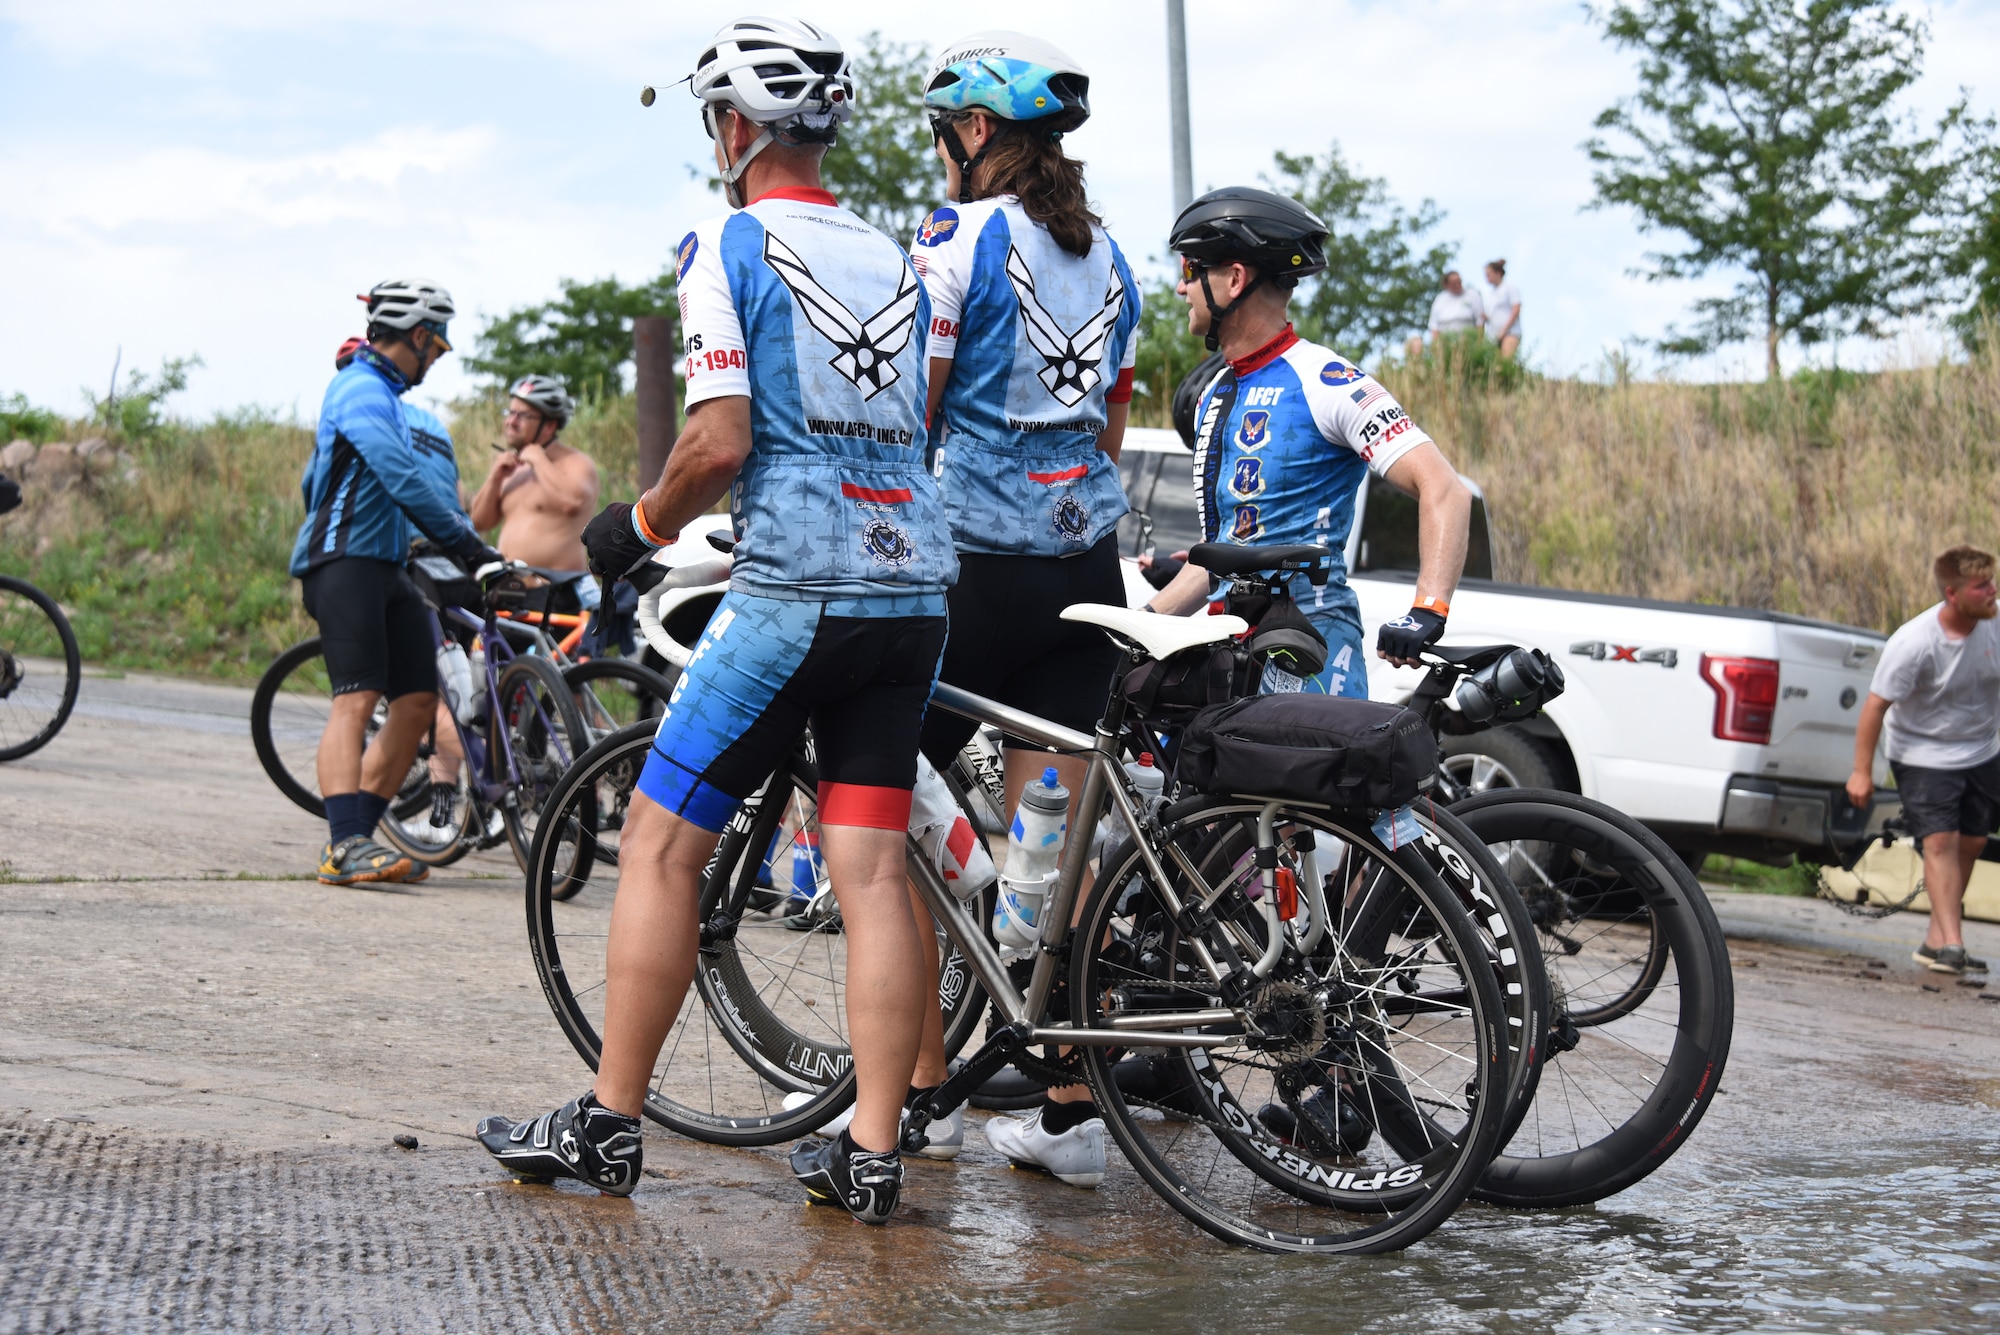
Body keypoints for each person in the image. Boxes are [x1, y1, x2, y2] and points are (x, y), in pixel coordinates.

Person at [477, 17, 954, 1226]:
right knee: (869, 866)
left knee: (657, 846)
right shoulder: (897, 256)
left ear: (735, 128)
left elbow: (717, 440)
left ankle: (608, 1124)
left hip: (797, 588)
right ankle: (872, 1150)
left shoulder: (728, 240)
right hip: (912, 593)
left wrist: (629, 529)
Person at [902, 29, 1139, 1186]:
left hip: (975, 564)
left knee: (877, 792)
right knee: (1055, 836)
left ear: (977, 133)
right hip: (1082, 565)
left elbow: (917, 392)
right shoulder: (1111, 255)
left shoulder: (962, 231)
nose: (940, 153)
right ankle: (1064, 1108)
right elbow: (1106, 423)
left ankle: (914, 1096)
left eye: (945, 132)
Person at [1145, 187, 1473, 688]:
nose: (1179, 288)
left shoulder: (1327, 379)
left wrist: (1428, 607)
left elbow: (1445, 489)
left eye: (1191, 269)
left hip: (1315, 652)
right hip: (1233, 649)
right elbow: (1225, 549)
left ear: (1234, 280)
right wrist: (1139, 623)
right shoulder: (1215, 391)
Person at [289, 282, 499, 886]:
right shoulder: (357, 386)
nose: (438, 355)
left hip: (388, 566)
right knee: (355, 699)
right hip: (343, 561)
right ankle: (345, 843)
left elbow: (316, 480)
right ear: (413, 334)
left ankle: (359, 838)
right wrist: (468, 546)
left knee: (414, 706)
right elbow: (400, 477)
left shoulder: (386, 397)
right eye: (436, 343)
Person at [1845, 546, 2000, 976]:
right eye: (1982, 586)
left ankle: (1936, 939)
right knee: (1940, 841)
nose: (1992, 591)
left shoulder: (1995, 622)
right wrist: (1861, 772)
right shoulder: (1914, 642)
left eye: (1992, 581)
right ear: (1952, 594)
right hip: (1922, 754)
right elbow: (1875, 706)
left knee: (1971, 842)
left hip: (1982, 748)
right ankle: (1953, 942)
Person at [466, 375, 601, 607]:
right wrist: (495, 477)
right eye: (510, 412)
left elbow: (571, 503)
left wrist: (538, 460)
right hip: (507, 591)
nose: (511, 421)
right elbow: (478, 522)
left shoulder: (576, 463)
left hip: (553, 595)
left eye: (523, 415)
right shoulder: (511, 470)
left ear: (549, 425)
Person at [1426, 269, 1483, 348]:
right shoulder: (1440, 299)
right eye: (1454, 283)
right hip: (1446, 343)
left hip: (1468, 342)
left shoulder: (1472, 296)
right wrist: (1435, 346)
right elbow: (1434, 326)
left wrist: (1479, 343)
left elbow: (1480, 321)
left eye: (1459, 281)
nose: (1457, 285)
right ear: (1446, 285)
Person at [1481, 259, 1522, 359]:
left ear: (1497, 273)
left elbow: (1516, 309)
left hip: (1510, 332)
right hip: (1494, 336)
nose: (1487, 277)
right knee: (1495, 365)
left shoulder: (1510, 288)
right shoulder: (1490, 294)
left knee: (1505, 362)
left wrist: (1504, 330)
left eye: (1488, 274)